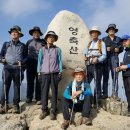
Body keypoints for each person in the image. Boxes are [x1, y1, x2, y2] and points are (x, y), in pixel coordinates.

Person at [0, 25, 27, 114]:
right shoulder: (6, 44)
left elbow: (26, 57)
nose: (13, 33)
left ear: (19, 34)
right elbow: (1, 55)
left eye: (15, 32)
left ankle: (16, 105)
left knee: (17, 87)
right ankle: (4, 105)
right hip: (7, 68)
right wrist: (1, 59)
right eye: (12, 32)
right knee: (5, 86)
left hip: (17, 69)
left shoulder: (23, 45)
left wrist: (22, 62)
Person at [37, 31, 62, 120]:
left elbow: (60, 61)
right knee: (44, 92)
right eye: (49, 37)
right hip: (44, 73)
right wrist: (39, 72)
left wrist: (60, 72)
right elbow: (39, 61)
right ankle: (44, 109)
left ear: (54, 39)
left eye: (53, 37)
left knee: (54, 92)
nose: (51, 38)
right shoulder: (42, 49)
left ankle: (53, 110)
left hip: (55, 73)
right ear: (46, 39)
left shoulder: (57, 49)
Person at [84, 26, 106, 102]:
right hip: (89, 65)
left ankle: (95, 101)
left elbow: (104, 55)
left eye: (95, 32)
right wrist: (85, 57)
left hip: (97, 65)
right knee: (86, 83)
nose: (94, 34)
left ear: (98, 34)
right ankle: (88, 100)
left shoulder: (101, 43)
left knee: (97, 83)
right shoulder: (89, 43)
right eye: (92, 32)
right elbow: (85, 53)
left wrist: (98, 59)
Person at [102, 24, 123, 99]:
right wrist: (105, 49)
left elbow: (122, 48)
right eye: (110, 29)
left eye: (113, 29)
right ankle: (104, 94)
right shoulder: (104, 39)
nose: (111, 30)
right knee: (105, 77)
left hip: (115, 58)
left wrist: (119, 50)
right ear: (107, 31)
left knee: (115, 77)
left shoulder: (119, 39)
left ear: (115, 30)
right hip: (106, 59)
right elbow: (100, 49)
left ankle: (115, 94)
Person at [26, 26, 46, 105]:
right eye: (34, 33)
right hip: (30, 63)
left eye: (37, 33)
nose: (36, 34)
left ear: (39, 34)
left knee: (39, 81)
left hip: (40, 64)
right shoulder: (28, 42)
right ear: (32, 34)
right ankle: (29, 97)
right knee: (29, 81)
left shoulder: (43, 42)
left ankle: (38, 98)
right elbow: (25, 53)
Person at [116, 35, 130, 116]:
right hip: (125, 75)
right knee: (127, 93)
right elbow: (125, 64)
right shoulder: (125, 52)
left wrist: (127, 66)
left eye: (125, 41)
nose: (123, 43)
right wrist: (120, 67)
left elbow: (127, 65)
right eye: (123, 42)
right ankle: (129, 110)